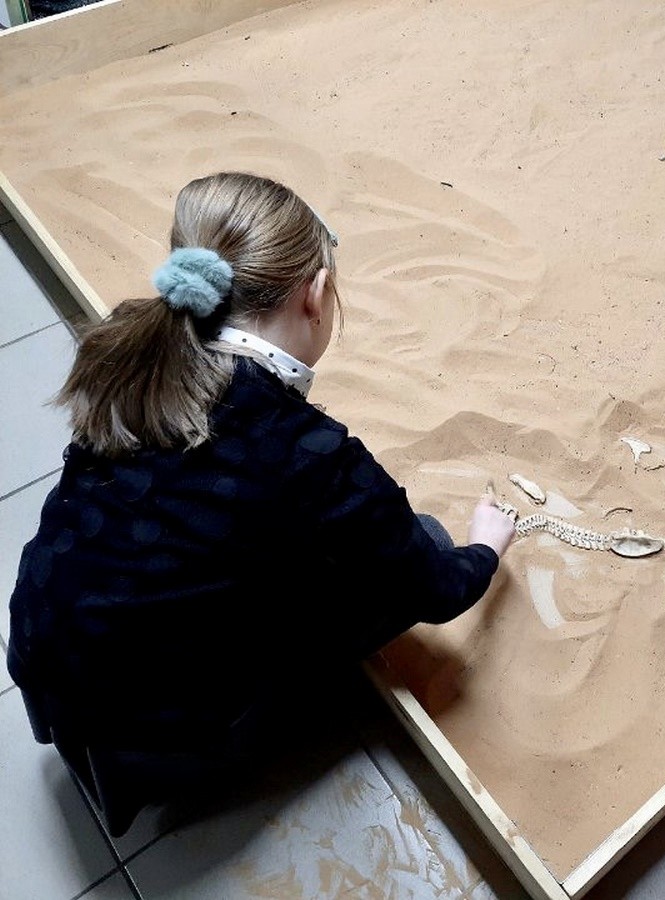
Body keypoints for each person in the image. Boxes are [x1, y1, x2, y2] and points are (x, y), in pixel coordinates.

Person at [6, 172, 516, 836]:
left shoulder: (140, 359)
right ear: (318, 296)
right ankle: (197, 756)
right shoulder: (307, 452)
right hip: (161, 732)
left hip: (46, 659)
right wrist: (488, 544)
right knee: (420, 542)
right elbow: (439, 589)